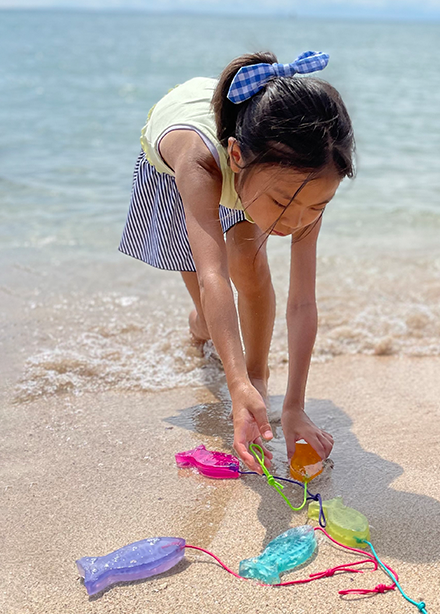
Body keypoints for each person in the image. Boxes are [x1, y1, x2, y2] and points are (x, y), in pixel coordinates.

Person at [119, 51, 354, 472]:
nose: (297, 222)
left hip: (256, 171)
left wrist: (292, 403)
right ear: (238, 156)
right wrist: (233, 385)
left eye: (318, 205)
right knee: (212, 317)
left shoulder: (308, 179)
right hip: (182, 168)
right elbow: (214, 278)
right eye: (286, 204)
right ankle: (200, 333)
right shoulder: (200, 161)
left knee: (249, 262)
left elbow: (302, 302)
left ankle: (258, 379)